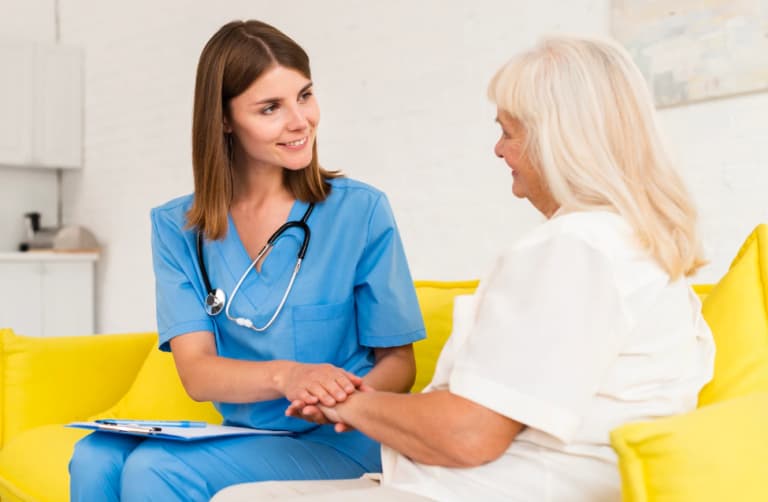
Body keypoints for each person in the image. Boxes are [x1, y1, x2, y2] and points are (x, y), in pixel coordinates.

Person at [211, 35, 716, 502]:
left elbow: (467, 434)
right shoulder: (633, 243)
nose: (499, 150)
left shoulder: (574, 247)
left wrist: (343, 402)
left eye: (509, 132)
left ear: (558, 141)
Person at [68, 19, 425, 502]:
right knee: (94, 455)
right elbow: (197, 374)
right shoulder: (179, 227)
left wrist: (344, 401)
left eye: (305, 95)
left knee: (158, 471)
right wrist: (289, 375)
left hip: (342, 442)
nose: (300, 120)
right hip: (245, 438)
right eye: (270, 108)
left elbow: (399, 362)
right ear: (223, 119)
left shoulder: (359, 211)